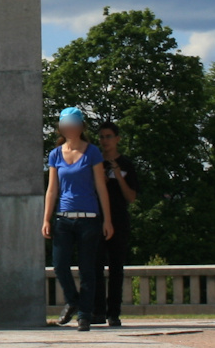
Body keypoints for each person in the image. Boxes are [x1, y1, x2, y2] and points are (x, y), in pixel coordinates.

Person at [42, 107, 113, 332]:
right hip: (64, 218)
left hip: (89, 218)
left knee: (87, 270)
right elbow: (52, 189)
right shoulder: (55, 154)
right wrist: (46, 218)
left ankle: (84, 316)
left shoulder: (92, 152)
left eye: (74, 123)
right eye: (66, 124)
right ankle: (73, 300)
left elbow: (101, 188)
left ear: (81, 126)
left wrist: (107, 220)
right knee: (60, 265)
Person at [92, 121, 138, 327]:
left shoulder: (127, 164)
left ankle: (114, 313)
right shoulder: (93, 163)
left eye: (109, 136)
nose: (105, 141)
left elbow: (131, 197)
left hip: (119, 220)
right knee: (95, 267)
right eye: (102, 137)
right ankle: (98, 311)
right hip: (97, 219)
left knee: (116, 268)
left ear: (117, 139)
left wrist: (118, 174)